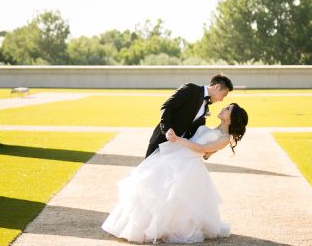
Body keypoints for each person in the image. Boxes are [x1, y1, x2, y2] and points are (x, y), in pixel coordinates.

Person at [102, 102, 249, 244]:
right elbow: (206, 153)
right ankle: (140, 225)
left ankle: (163, 228)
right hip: (179, 155)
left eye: (228, 109)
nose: (223, 108)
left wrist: (178, 140)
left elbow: (202, 149)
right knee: (157, 187)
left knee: (175, 196)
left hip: (189, 164)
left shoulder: (225, 138)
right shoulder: (215, 129)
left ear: (232, 118)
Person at [144, 73, 233, 159]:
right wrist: (167, 129)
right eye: (223, 95)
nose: (221, 99)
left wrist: (209, 150)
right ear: (217, 87)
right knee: (148, 168)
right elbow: (167, 106)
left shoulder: (206, 107)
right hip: (162, 139)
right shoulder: (191, 89)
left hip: (178, 149)